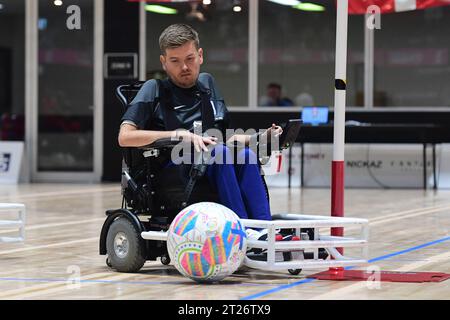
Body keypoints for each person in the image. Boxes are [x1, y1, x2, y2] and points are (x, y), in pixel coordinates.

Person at [118, 24, 284, 241]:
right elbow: (125, 137)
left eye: (189, 59)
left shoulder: (207, 84)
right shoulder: (154, 88)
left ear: (200, 55)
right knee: (221, 153)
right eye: (175, 61)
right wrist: (179, 135)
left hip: (210, 159)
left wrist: (261, 138)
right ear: (164, 62)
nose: (184, 67)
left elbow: (227, 137)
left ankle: (264, 228)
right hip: (170, 168)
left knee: (245, 155)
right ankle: (242, 229)